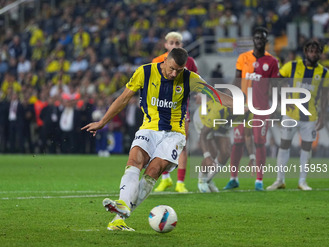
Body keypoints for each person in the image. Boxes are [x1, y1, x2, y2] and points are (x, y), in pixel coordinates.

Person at [82, 48, 233, 231]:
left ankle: (120, 215)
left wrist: (244, 104)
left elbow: (214, 94)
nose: (174, 73)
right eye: (172, 69)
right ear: (165, 60)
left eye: (179, 70)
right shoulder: (144, 72)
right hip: (148, 128)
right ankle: (122, 206)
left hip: (174, 134)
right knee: (134, 160)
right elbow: (123, 99)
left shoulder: (189, 78)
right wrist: (102, 122)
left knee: (153, 170)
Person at [266, 39, 329, 191]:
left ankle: (302, 181)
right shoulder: (292, 66)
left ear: (320, 54)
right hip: (290, 114)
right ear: (306, 52)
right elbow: (274, 82)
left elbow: (325, 97)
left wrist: (323, 117)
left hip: (310, 117)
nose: (313, 54)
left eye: (316, 52)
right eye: (311, 51)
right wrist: (281, 100)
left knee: (306, 148)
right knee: (284, 145)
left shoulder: (324, 73)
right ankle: (279, 180)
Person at [224, 27, 280, 191]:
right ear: (253, 40)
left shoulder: (272, 62)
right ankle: (233, 178)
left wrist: (275, 106)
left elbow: (275, 86)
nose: (259, 41)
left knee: (259, 143)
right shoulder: (243, 58)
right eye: (256, 38)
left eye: (262, 38)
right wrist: (228, 98)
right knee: (238, 142)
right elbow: (237, 79)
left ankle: (259, 181)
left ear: (266, 41)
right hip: (242, 108)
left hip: (261, 109)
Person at [152, 31, 198, 193]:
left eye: (177, 43)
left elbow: (195, 82)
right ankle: (165, 179)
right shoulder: (157, 61)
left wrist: (198, 95)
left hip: (181, 108)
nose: (174, 45)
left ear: (181, 45)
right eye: (171, 43)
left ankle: (180, 182)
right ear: (166, 45)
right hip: (162, 108)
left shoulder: (190, 62)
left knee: (182, 144)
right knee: (161, 143)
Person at [193, 96, 255, 193]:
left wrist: (252, 157)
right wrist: (207, 156)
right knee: (212, 153)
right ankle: (201, 180)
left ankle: (208, 180)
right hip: (203, 118)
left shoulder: (248, 113)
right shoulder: (219, 110)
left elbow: (248, 136)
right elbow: (203, 135)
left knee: (226, 152)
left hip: (222, 124)